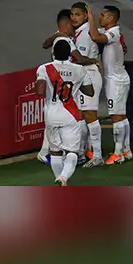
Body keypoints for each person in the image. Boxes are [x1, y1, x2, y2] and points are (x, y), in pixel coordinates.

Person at [34, 39, 93, 186]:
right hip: (70, 115)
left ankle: (60, 182)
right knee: (72, 152)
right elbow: (90, 92)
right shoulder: (80, 70)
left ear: (53, 53)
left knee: (55, 152)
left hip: (51, 115)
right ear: (69, 54)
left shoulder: (44, 68)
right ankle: (63, 178)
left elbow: (39, 91)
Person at [87, 5, 133, 164]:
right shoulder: (113, 32)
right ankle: (126, 149)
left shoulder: (113, 33)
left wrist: (90, 17)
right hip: (119, 78)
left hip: (116, 81)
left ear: (111, 18)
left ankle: (118, 153)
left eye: (103, 15)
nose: (100, 17)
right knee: (122, 115)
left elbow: (94, 37)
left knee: (116, 117)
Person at [37, 9, 76, 163]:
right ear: (66, 25)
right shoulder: (64, 40)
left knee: (54, 120)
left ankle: (50, 152)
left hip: (56, 83)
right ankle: (47, 152)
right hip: (60, 83)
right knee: (57, 120)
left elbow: (44, 44)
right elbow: (77, 58)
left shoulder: (59, 37)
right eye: (72, 25)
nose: (74, 29)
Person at [69, 1, 104, 167]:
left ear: (85, 15)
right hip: (84, 75)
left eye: (78, 14)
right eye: (72, 14)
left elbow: (80, 59)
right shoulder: (82, 31)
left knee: (90, 115)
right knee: (81, 116)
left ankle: (97, 156)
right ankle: (82, 153)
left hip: (88, 75)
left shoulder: (84, 34)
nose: (74, 18)